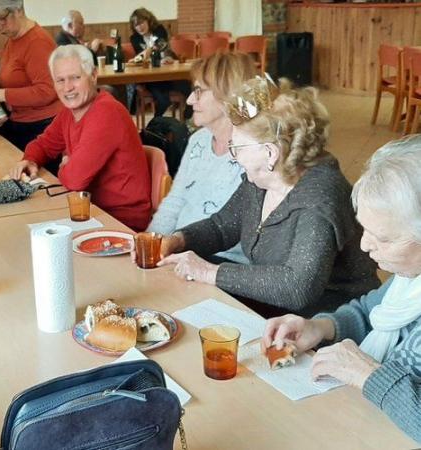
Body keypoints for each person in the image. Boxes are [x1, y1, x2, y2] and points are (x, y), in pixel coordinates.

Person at [158, 76, 379, 317]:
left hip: (329, 321)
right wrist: (180, 239)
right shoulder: (263, 180)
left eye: (237, 148)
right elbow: (222, 226)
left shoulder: (320, 199)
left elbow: (298, 287)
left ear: (270, 152)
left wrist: (209, 272)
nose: (233, 157)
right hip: (278, 311)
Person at [262, 135, 421, 442]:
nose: (364, 245)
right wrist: (321, 327)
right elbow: (368, 311)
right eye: (366, 230)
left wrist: (370, 375)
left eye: (384, 238)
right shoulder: (411, 275)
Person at [11, 45, 151, 231]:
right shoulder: (69, 112)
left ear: (93, 75)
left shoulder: (106, 112)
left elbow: (75, 180)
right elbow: (44, 144)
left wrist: (66, 167)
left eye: (75, 78)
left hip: (120, 220)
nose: (67, 87)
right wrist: (30, 159)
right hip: (88, 208)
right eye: (60, 80)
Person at [147, 52, 259, 263]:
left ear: (228, 95)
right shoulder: (198, 140)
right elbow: (175, 200)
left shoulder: (255, 152)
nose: (189, 100)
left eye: (199, 91)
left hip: (223, 263)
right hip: (179, 250)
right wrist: (150, 243)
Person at [0, 0, 62, 151]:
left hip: (42, 128)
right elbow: (19, 79)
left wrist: (1, 94)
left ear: (19, 10)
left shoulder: (37, 42)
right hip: (22, 123)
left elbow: (47, 91)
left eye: (2, 18)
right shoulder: (13, 39)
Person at [129, 8, 189, 117]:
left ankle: (186, 117)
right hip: (151, 77)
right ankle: (155, 124)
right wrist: (138, 58)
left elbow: (161, 45)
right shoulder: (135, 39)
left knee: (188, 87)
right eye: (136, 25)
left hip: (167, 72)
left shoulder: (159, 29)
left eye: (142, 23)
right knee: (163, 100)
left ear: (149, 20)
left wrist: (162, 56)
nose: (139, 27)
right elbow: (142, 59)